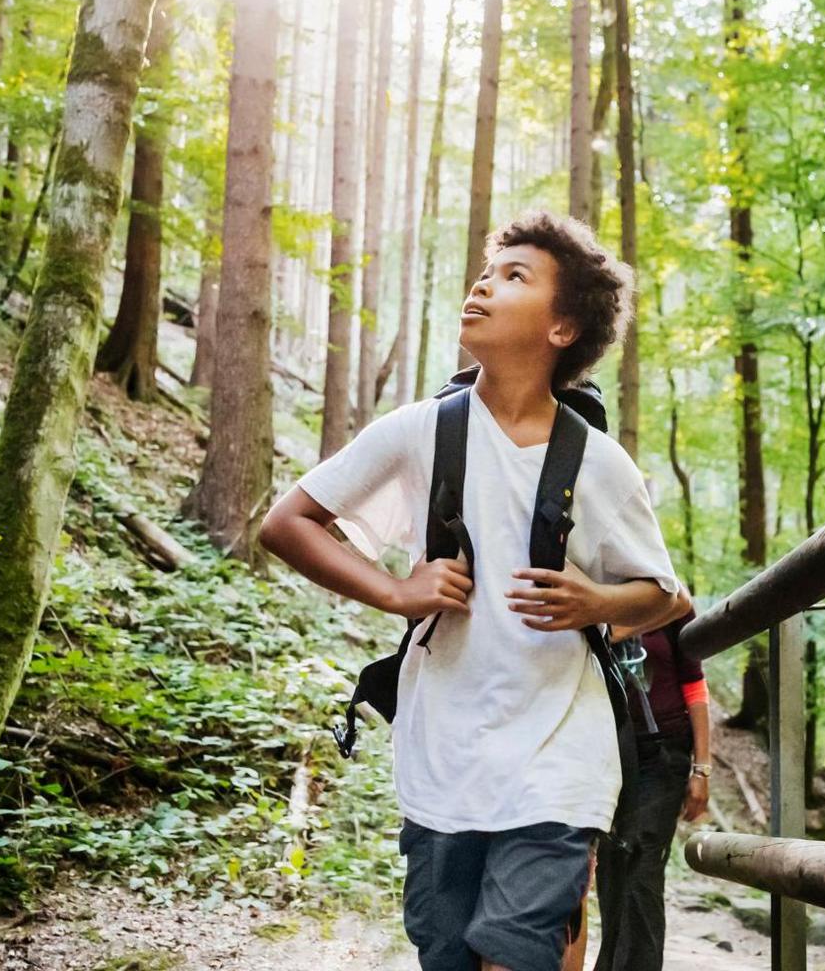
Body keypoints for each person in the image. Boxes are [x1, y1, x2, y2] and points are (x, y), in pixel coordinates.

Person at [261, 210, 686, 971]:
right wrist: (396, 591)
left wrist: (598, 603)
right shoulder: (420, 430)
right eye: (487, 272)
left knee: (517, 956)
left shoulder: (601, 465)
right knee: (448, 954)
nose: (484, 285)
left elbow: (664, 596)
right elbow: (287, 523)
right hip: (441, 757)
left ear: (562, 330)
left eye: (515, 277)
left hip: (560, 756)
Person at [591, 609, 710, 971]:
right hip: (608, 751)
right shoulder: (592, 594)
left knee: (640, 862)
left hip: (663, 751)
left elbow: (694, 683)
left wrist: (702, 767)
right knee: (611, 867)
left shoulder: (669, 599)